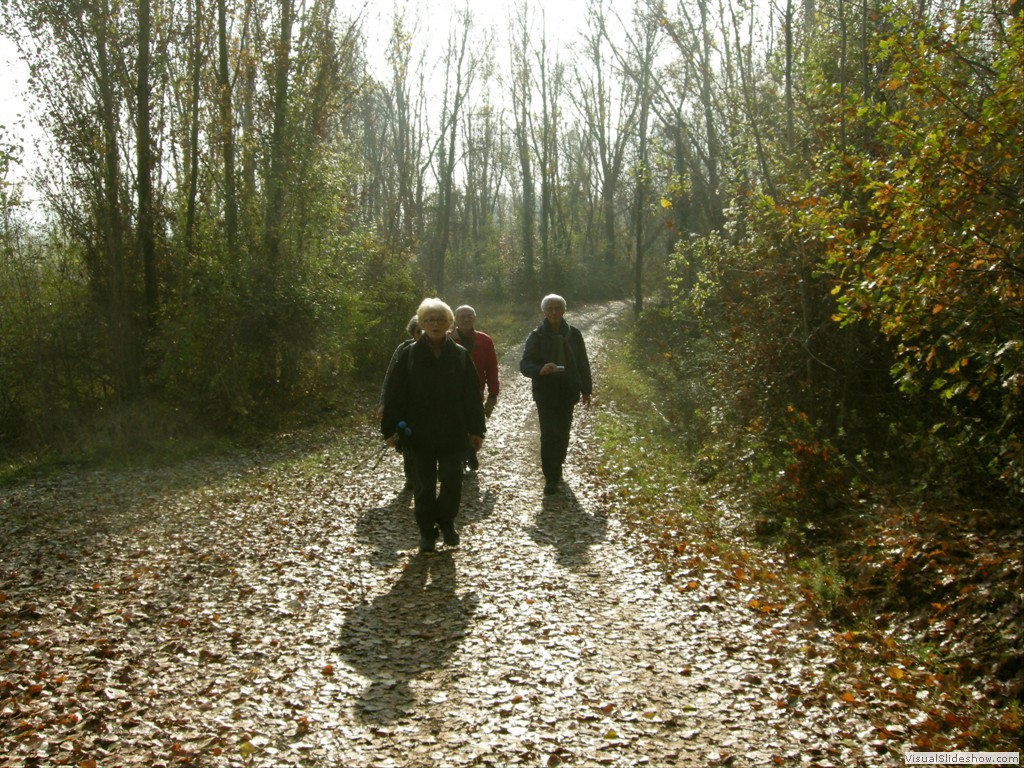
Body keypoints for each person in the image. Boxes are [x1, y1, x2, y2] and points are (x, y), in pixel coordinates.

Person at [381, 298, 486, 552]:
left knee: (452, 480)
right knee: (424, 485)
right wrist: (390, 429)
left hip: (453, 430)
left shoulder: (460, 355)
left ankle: (447, 522)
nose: (435, 324)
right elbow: (396, 394)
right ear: (422, 324)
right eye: (429, 320)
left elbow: (472, 395)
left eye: (440, 320)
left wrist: (477, 430)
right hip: (418, 433)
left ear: (449, 324)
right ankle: (427, 532)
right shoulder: (408, 355)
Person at [519, 294, 592, 494]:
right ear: (544, 312)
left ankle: (557, 466)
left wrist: (587, 390)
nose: (553, 312)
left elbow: (582, 363)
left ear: (564, 310)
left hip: (568, 390)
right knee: (549, 434)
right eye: (549, 309)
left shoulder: (574, 334)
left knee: (563, 433)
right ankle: (551, 478)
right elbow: (525, 364)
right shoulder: (537, 336)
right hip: (546, 393)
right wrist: (540, 370)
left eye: (557, 308)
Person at [451, 304, 499, 472]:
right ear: (455, 319)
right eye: (462, 316)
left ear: (475, 318)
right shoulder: (447, 339)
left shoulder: (484, 340)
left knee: (474, 425)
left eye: (469, 316)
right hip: (452, 393)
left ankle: (471, 452)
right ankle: (461, 458)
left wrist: (493, 393)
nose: (466, 319)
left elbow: (491, 368)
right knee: (457, 425)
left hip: (476, 393)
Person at [377, 314, 421, 491]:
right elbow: (390, 378)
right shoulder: (403, 350)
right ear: (413, 333)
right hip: (406, 404)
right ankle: (411, 477)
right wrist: (383, 402)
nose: (422, 335)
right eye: (419, 332)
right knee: (406, 440)